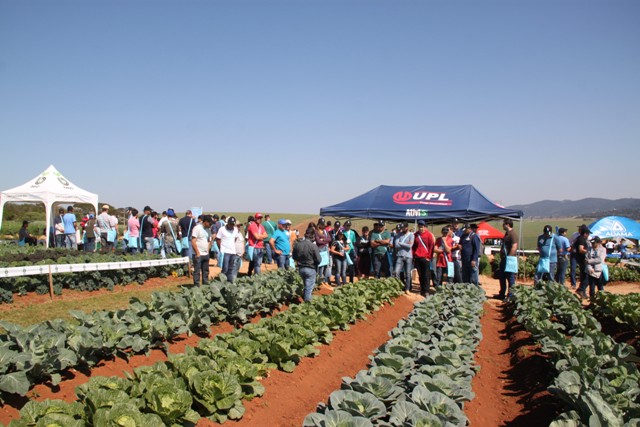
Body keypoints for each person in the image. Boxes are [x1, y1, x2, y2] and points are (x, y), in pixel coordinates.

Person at [293, 227, 322, 302]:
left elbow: (294, 257)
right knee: (309, 288)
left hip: (301, 269)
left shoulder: (297, 244)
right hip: (310, 268)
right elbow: (319, 260)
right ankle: (307, 305)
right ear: (312, 236)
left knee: (305, 286)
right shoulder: (313, 246)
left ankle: (304, 299)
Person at [497, 219, 518, 300]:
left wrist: (509, 258)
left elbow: (514, 246)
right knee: (502, 277)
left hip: (509, 259)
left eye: (504, 224)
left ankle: (510, 296)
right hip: (504, 259)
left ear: (508, 225)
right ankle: (502, 294)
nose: (503, 225)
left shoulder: (512, 234)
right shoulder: (507, 234)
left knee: (510, 278)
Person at [413, 220, 435, 295]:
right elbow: (414, 247)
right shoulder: (415, 235)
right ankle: (422, 289)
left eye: (422, 227)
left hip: (425, 257)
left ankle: (426, 290)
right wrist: (414, 256)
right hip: (418, 257)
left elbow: (431, 246)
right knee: (420, 275)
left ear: (425, 227)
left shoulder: (429, 235)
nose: (421, 228)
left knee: (426, 275)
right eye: (419, 227)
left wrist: (429, 257)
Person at [191, 215, 214, 286]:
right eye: (210, 223)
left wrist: (208, 251)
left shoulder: (208, 230)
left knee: (206, 271)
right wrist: (197, 253)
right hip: (198, 254)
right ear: (206, 222)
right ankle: (196, 286)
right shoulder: (197, 228)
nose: (211, 225)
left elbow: (209, 241)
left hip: (206, 254)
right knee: (197, 271)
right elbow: (193, 241)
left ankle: (205, 285)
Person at [216, 216, 240, 281]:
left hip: (233, 252)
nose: (232, 226)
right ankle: (222, 281)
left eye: (233, 224)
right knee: (225, 269)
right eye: (230, 224)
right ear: (227, 223)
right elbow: (218, 239)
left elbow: (235, 238)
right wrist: (221, 248)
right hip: (225, 252)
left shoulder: (235, 230)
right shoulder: (222, 229)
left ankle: (229, 283)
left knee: (230, 269)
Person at [394, 222, 414, 294]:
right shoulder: (398, 235)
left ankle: (407, 288)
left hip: (408, 256)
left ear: (407, 227)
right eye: (402, 228)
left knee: (408, 273)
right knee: (396, 272)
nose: (402, 229)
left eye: (404, 228)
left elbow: (410, 246)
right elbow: (396, 245)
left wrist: (400, 243)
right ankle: (398, 287)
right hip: (399, 255)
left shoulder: (411, 235)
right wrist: (405, 244)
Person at [574, 225, 592, 299]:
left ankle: (583, 292)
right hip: (583, 260)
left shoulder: (580, 238)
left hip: (581, 260)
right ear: (585, 233)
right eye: (588, 234)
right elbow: (580, 249)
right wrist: (588, 252)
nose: (588, 235)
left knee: (584, 276)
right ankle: (581, 289)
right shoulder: (581, 239)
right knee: (587, 277)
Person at [315, 218, 332, 283]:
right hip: (320, 249)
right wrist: (325, 240)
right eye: (321, 224)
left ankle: (325, 280)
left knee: (326, 265)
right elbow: (318, 241)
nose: (322, 225)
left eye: (323, 224)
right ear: (319, 224)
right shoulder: (316, 231)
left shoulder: (325, 231)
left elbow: (330, 239)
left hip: (325, 249)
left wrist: (323, 239)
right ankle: (319, 280)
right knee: (321, 265)